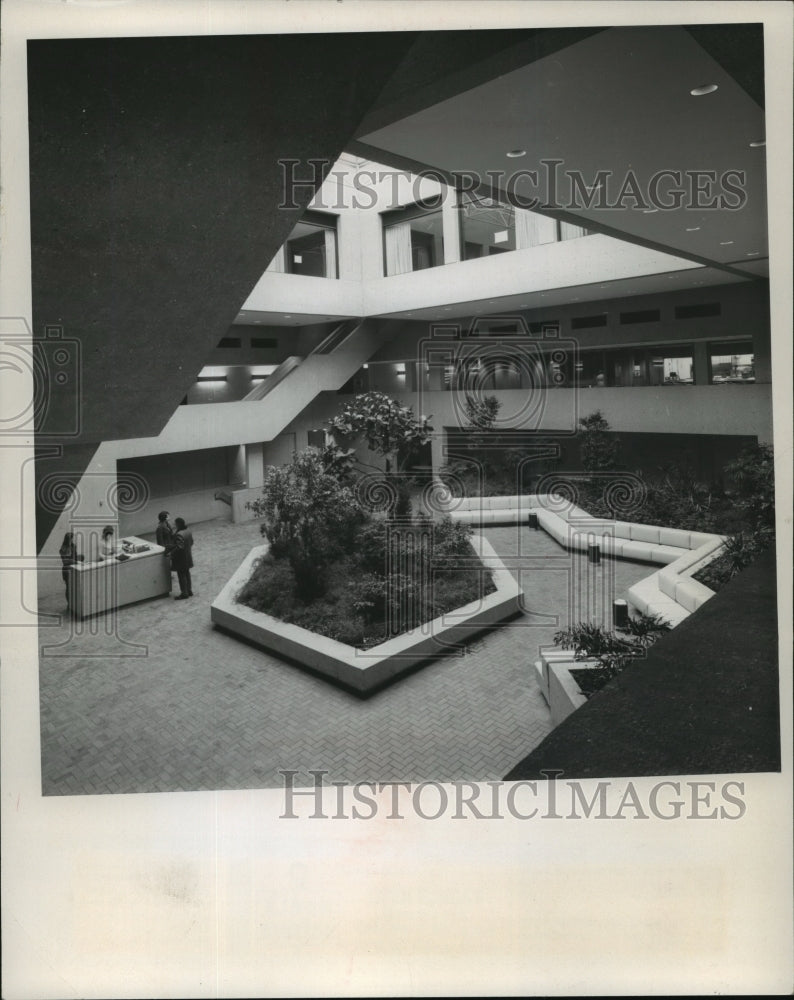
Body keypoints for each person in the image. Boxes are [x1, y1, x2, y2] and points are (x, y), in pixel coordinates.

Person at [59, 532, 84, 608]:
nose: (72, 541)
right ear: (67, 540)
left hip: (74, 569)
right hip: (67, 570)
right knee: (69, 588)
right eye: (71, 539)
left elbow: (75, 557)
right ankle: (69, 604)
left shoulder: (73, 546)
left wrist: (81, 558)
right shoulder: (63, 549)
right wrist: (76, 561)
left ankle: (74, 604)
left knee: (75, 587)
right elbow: (66, 561)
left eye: (72, 539)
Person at [170, 517, 194, 599]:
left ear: (178, 524)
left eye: (175, 523)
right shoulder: (188, 531)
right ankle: (189, 590)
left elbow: (179, 547)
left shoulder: (179, 534)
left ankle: (184, 593)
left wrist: (171, 553)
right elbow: (191, 542)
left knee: (181, 575)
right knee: (187, 573)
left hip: (180, 558)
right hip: (188, 555)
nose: (174, 525)